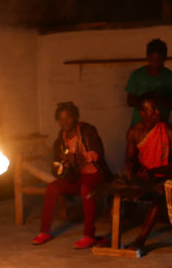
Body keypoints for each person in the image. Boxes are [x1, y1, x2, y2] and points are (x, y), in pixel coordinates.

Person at [32, 102, 112, 249]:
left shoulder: (88, 131)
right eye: (61, 119)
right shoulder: (60, 140)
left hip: (94, 174)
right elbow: (58, 165)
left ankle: (89, 235)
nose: (65, 122)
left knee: (86, 190)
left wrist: (77, 158)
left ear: (76, 117)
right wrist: (60, 167)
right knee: (52, 188)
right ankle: (44, 232)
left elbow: (97, 153)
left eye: (68, 118)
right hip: (76, 177)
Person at [123, 95, 172, 249]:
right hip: (147, 176)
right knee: (118, 190)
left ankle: (141, 238)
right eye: (153, 110)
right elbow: (131, 158)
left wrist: (153, 171)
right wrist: (131, 168)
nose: (158, 112)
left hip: (166, 176)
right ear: (142, 113)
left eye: (158, 109)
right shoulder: (134, 132)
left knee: (160, 195)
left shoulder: (169, 130)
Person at [125, 38, 172, 127]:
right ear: (147, 57)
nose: (155, 63)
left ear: (165, 58)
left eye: (159, 61)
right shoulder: (137, 75)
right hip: (138, 126)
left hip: (160, 128)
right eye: (152, 60)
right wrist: (144, 99)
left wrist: (160, 97)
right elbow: (129, 101)